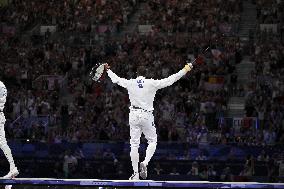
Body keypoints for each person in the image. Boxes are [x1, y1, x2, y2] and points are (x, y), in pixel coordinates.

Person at [105, 62, 193, 180]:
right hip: (146, 115)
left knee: (134, 144)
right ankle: (145, 163)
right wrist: (185, 69)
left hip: (134, 115)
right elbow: (170, 80)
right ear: (146, 74)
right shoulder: (151, 83)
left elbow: (116, 80)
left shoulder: (130, 82)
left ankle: (135, 174)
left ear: (137, 74)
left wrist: (108, 70)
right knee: (152, 141)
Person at [0, 81, 19, 178]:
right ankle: (13, 168)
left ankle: (13, 168)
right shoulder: (2, 85)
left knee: (2, 143)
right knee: (2, 143)